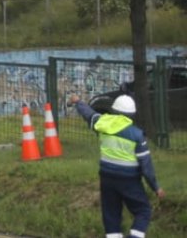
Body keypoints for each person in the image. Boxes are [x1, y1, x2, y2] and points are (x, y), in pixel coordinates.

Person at [69, 93, 164, 238]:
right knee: (143, 210)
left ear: (113, 110)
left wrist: (78, 102)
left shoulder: (102, 124)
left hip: (107, 178)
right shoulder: (137, 135)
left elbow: (89, 114)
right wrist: (155, 187)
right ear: (132, 114)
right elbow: (146, 166)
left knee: (111, 213)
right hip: (129, 180)